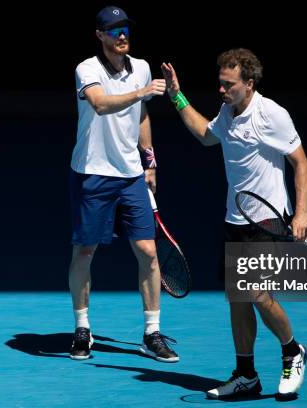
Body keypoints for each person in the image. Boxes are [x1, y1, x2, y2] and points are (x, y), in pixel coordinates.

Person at [161, 49, 307, 397]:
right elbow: (205, 134)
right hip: (234, 219)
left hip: (267, 219)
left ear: (249, 83)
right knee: (238, 299)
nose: (222, 90)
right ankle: (246, 375)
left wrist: (301, 212)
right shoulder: (227, 113)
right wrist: (176, 95)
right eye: (220, 84)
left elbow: (300, 163)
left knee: (256, 292)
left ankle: (293, 350)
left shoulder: (272, 114)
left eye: (229, 85)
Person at [68, 5, 178, 363]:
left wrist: (150, 162)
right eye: (114, 30)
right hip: (93, 173)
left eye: (125, 29)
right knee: (85, 252)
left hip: (131, 175)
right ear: (100, 35)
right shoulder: (87, 68)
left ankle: (152, 332)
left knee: (147, 251)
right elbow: (100, 104)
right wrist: (142, 91)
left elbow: (142, 114)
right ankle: (83, 328)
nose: (122, 36)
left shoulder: (142, 67)